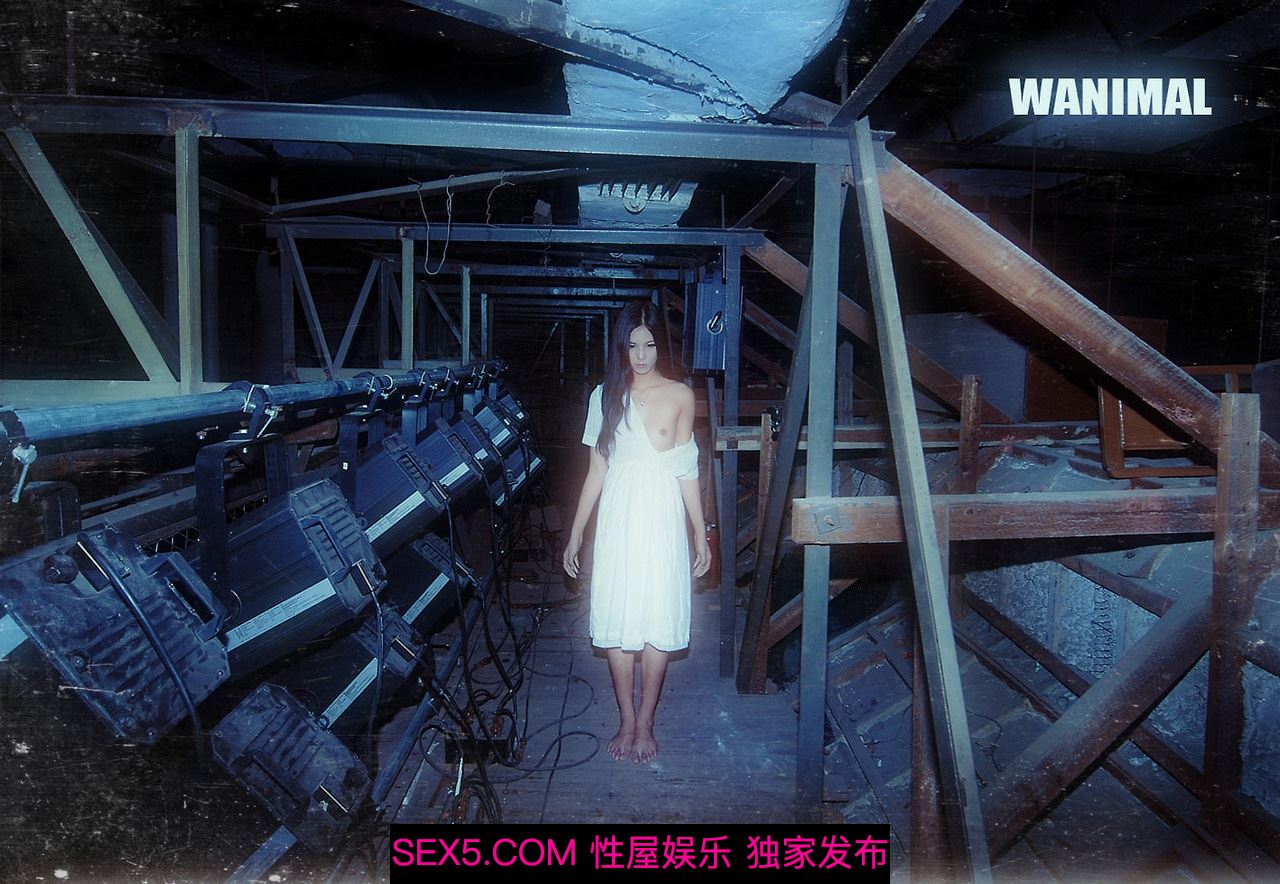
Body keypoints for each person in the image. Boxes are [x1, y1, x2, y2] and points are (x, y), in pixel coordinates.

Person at [562, 302, 711, 764]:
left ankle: (646, 720)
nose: (641, 356)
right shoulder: (604, 396)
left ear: (660, 346)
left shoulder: (681, 396)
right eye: (632, 346)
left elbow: (687, 470)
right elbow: (596, 472)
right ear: (621, 348)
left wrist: (700, 533)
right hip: (619, 519)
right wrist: (576, 533)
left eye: (649, 345)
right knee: (619, 614)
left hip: (662, 518)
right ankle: (625, 718)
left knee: (657, 614)